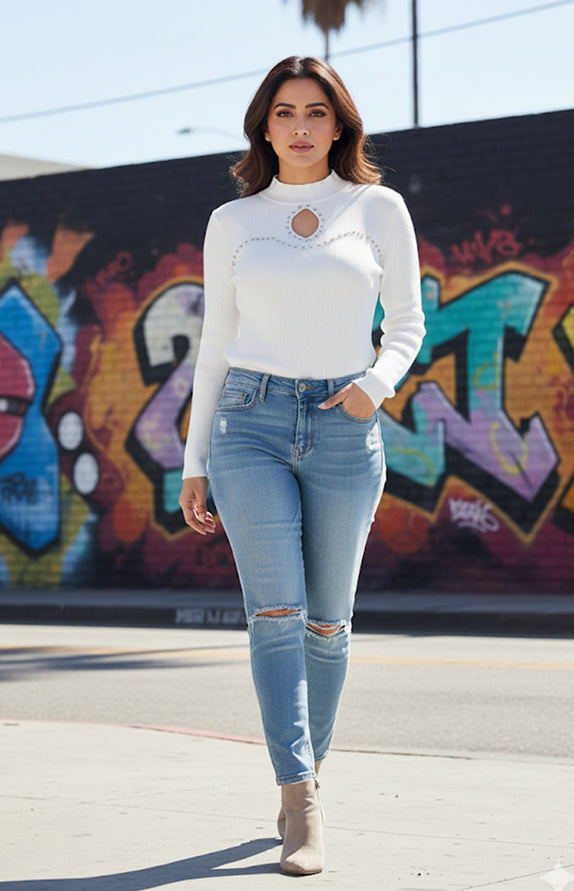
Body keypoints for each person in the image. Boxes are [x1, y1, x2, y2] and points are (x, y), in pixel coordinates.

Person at [179, 55, 425, 876]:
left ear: (339, 123)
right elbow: (214, 345)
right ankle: (300, 799)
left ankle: (307, 770)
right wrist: (192, 461)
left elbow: (409, 324)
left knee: (327, 623)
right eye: (283, 112)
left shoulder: (377, 207)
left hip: (344, 426)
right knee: (274, 614)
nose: (299, 127)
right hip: (247, 423)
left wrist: (374, 388)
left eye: (315, 111)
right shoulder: (233, 220)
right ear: (264, 126)